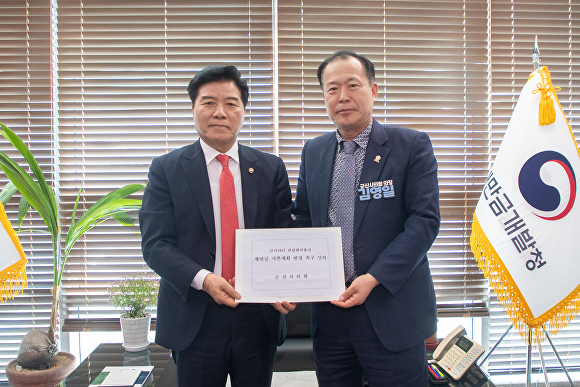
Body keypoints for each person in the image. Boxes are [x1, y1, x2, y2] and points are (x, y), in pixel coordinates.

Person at [139, 65, 295, 387]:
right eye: (208, 102)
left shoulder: (270, 168)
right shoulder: (166, 170)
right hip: (195, 314)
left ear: (243, 110)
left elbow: (285, 237)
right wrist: (205, 279)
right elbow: (156, 245)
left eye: (231, 103)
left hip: (257, 315)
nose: (220, 112)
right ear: (193, 109)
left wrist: (286, 284)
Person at [292, 51, 440, 386]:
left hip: (392, 311)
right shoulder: (312, 152)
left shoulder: (410, 146)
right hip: (330, 316)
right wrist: (286, 279)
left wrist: (373, 277)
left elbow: (424, 221)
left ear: (373, 90)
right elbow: (303, 220)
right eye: (332, 89)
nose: (342, 96)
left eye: (352, 85)